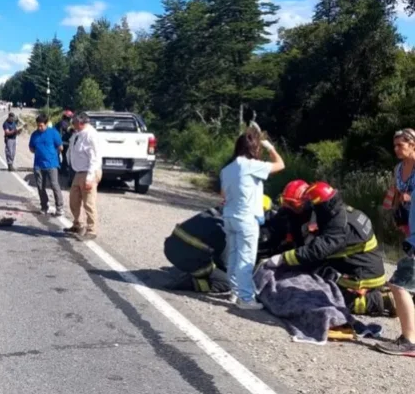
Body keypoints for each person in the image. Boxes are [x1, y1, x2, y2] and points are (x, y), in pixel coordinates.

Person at [264, 181, 393, 317]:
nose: (289, 208)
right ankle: (378, 291)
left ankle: (381, 301)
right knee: (318, 274)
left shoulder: (338, 225)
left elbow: (316, 251)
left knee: (332, 300)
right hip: (361, 265)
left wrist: (283, 258)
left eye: (293, 205)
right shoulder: (339, 211)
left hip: (363, 274)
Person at [219, 128, 285, 309]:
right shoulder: (250, 165)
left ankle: (234, 291)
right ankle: (246, 298)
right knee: (246, 259)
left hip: (229, 216)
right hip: (246, 218)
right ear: (253, 149)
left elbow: (222, 194)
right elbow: (280, 165)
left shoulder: (227, 169)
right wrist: (271, 148)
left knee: (232, 256)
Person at [165, 196, 276, 295]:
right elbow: (227, 265)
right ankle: (192, 283)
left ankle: (185, 269)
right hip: (185, 257)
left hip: (171, 248)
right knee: (226, 282)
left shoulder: (215, 212)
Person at [65, 112, 102, 240]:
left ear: (81, 123)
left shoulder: (90, 135)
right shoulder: (78, 133)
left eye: (74, 123)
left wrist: (90, 178)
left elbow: (95, 158)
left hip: (89, 171)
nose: (72, 125)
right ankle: (78, 225)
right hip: (79, 171)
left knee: (89, 202)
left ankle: (91, 230)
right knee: (74, 199)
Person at [29, 114, 64, 216]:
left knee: (54, 185)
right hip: (38, 165)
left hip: (52, 164)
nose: (39, 128)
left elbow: (60, 147)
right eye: (38, 125)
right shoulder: (34, 134)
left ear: (46, 124)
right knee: (40, 186)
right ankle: (44, 206)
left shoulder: (53, 133)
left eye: (41, 126)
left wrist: (52, 154)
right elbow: (31, 148)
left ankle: (59, 207)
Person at [385, 128, 415, 235]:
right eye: (394, 146)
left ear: (412, 145)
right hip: (406, 220)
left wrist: (411, 197)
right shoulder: (398, 168)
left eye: (400, 145)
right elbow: (397, 192)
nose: (396, 149)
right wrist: (394, 211)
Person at [56, 110, 74, 175]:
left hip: (59, 142)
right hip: (63, 142)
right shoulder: (64, 123)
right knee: (64, 156)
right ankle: (62, 169)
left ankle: (61, 169)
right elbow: (68, 129)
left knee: (61, 156)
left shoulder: (59, 123)